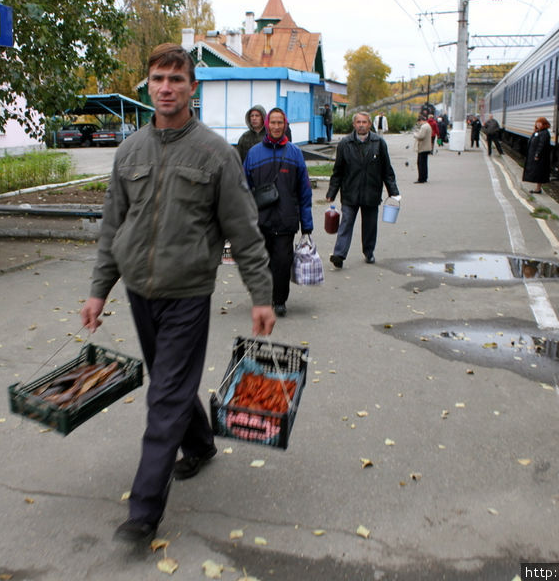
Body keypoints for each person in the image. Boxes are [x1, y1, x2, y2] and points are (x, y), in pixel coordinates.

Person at [80, 43, 275, 544]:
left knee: (163, 393)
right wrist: (100, 290)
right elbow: (112, 226)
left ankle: (143, 511)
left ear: (193, 87)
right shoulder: (130, 151)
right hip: (141, 294)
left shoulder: (215, 153)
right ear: (147, 85)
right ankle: (202, 444)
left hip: (188, 294)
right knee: (172, 383)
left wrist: (261, 295)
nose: (166, 87)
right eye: (158, 78)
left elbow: (244, 230)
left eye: (176, 79)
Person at [243, 108, 314, 317]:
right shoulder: (254, 153)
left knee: (282, 262)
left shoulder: (294, 153)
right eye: (272, 123)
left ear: (285, 125)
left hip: (286, 218)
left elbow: (304, 190)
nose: (275, 127)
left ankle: (279, 300)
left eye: (279, 123)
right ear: (266, 124)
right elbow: (243, 187)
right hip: (260, 219)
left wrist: (306, 224)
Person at [325, 111, 399, 267]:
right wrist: (332, 192)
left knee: (370, 226)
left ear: (369, 124)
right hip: (350, 192)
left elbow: (387, 170)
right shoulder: (345, 143)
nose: (361, 125)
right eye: (358, 122)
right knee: (346, 223)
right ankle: (339, 254)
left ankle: (369, 252)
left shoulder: (378, 143)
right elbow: (338, 171)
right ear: (354, 125)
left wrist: (394, 192)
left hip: (371, 192)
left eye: (364, 122)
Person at [523, 117, 552, 194]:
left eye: (540, 123)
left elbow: (541, 145)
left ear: (544, 124)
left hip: (540, 157)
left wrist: (537, 154)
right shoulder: (538, 132)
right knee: (536, 172)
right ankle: (537, 188)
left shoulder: (544, 133)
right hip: (534, 155)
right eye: (537, 123)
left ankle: (538, 189)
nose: (538, 124)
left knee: (539, 172)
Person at [413, 114, 432, 183]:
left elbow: (421, 136)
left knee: (420, 164)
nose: (418, 124)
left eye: (418, 122)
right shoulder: (428, 125)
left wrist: (415, 135)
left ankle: (421, 179)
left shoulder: (424, 127)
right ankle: (425, 177)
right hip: (427, 147)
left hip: (423, 147)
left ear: (421, 121)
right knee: (424, 164)